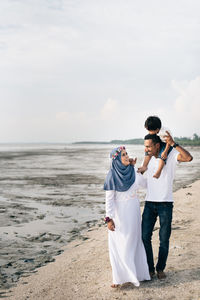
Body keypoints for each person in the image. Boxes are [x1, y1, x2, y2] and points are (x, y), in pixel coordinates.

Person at [141, 133, 193, 280]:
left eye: (148, 146)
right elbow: (141, 175)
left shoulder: (170, 156)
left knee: (164, 238)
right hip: (149, 203)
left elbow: (188, 158)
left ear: (157, 145)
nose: (146, 149)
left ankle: (160, 268)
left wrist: (174, 143)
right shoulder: (148, 159)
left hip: (165, 204)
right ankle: (149, 269)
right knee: (144, 236)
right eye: (145, 146)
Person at [104, 146, 150, 288]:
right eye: (123, 155)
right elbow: (109, 199)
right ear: (116, 159)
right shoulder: (112, 175)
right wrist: (109, 218)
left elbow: (144, 184)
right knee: (120, 244)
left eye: (126, 154)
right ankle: (119, 278)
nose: (126, 156)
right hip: (119, 215)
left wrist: (139, 169)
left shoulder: (133, 171)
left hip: (134, 212)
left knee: (134, 242)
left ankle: (137, 274)